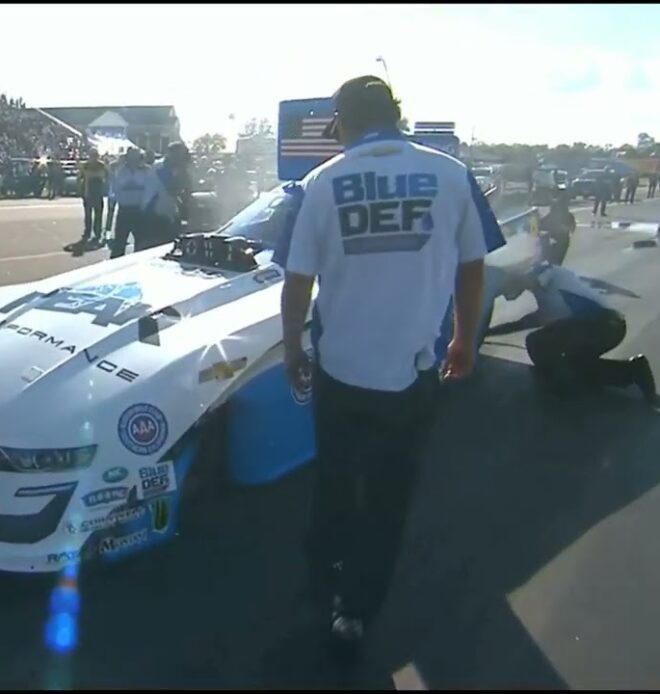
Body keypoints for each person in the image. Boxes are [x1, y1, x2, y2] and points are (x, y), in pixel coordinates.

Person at [278, 75, 506, 661]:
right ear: (396, 116)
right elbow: (472, 266)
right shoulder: (451, 174)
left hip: (339, 369)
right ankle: (353, 611)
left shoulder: (320, 183)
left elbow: (297, 280)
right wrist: (463, 340)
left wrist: (292, 349)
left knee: (334, 479)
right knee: (387, 497)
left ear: (342, 121)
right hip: (412, 372)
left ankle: (320, 571)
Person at [484, 263, 657, 405]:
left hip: (605, 323)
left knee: (537, 342)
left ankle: (561, 387)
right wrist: (485, 332)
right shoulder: (546, 303)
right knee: (576, 366)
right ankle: (633, 369)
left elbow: (535, 276)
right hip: (602, 329)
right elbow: (522, 323)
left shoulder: (545, 271)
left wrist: (507, 282)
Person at [142, 141, 192, 250]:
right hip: (154, 213)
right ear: (171, 154)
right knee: (155, 249)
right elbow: (173, 189)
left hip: (169, 213)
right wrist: (182, 173)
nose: (181, 158)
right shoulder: (159, 168)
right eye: (179, 155)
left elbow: (187, 189)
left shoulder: (175, 168)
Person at [107, 147, 156, 258]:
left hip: (140, 211)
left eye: (136, 156)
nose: (134, 159)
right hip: (124, 210)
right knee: (119, 243)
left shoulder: (147, 171)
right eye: (131, 156)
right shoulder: (119, 170)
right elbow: (113, 188)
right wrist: (113, 201)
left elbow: (152, 190)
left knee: (141, 243)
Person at [76, 149, 109, 247]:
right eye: (92, 155)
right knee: (88, 215)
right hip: (88, 193)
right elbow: (79, 177)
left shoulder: (102, 165)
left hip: (98, 194)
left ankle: (97, 232)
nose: (94, 157)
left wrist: (105, 186)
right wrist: (80, 188)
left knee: (98, 215)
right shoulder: (85, 165)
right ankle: (88, 231)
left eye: (95, 155)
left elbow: (108, 176)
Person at [538, 194, 576, 266]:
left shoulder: (559, 214)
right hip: (560, 240)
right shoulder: (566, 215)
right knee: (556, 259)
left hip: (558, 240)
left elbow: (543, 223)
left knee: (554, 258)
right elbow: (572, 227)